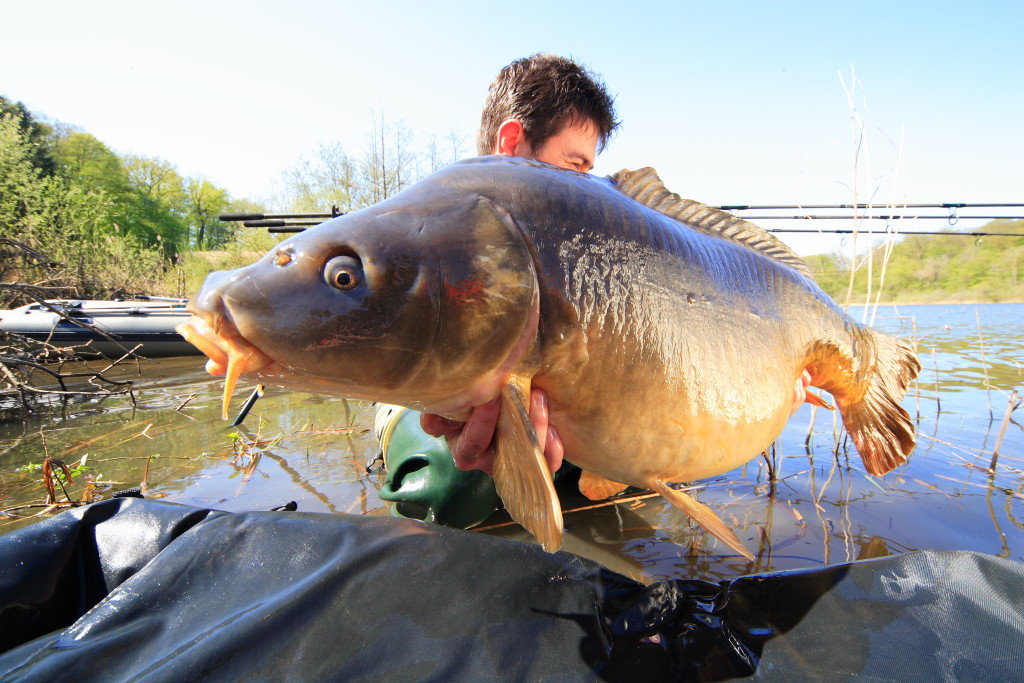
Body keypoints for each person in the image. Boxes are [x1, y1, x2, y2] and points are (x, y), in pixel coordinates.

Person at [417, 53, 619, 478]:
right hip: (429, 420)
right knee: (443, 479)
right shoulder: (430, 233)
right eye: (574, 165)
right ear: (511, 145)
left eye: (589, 170)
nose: (586, 188)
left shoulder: (592, 251)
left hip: (563, 429)